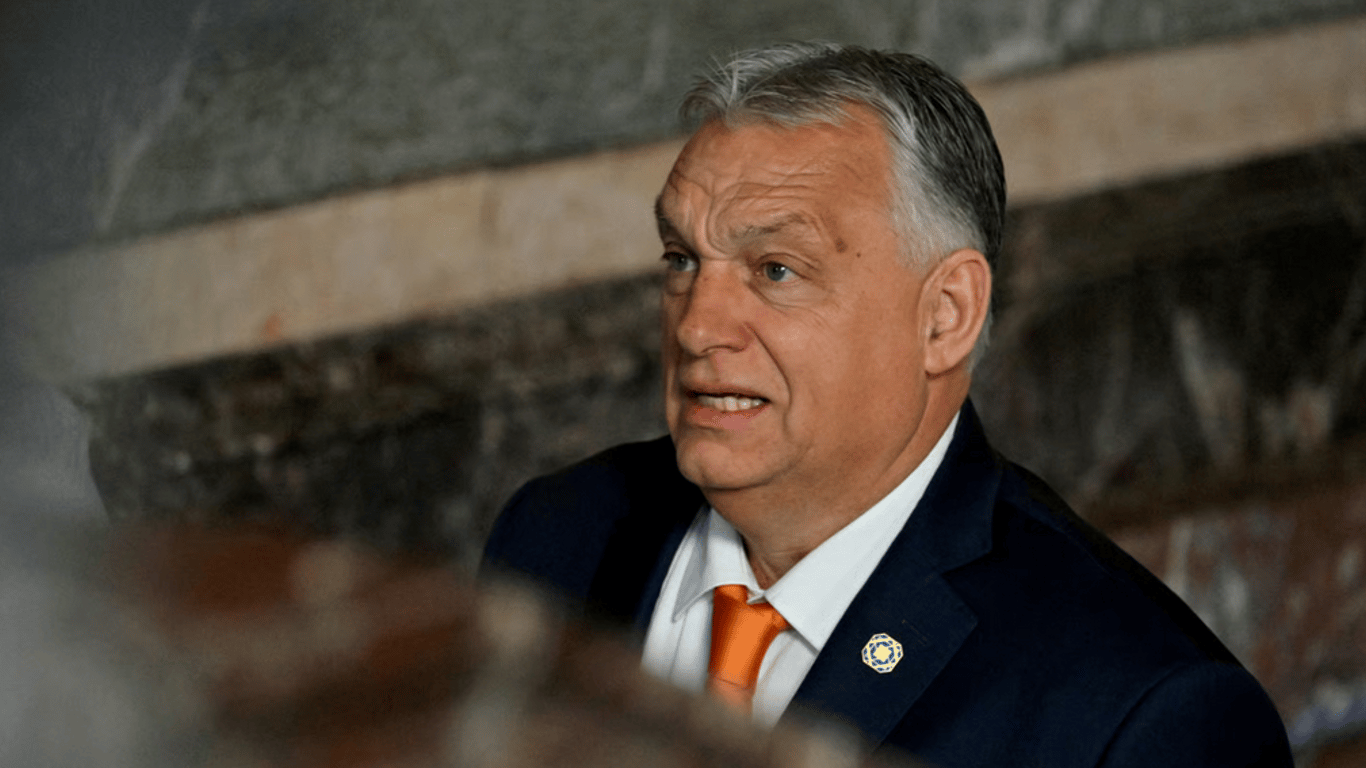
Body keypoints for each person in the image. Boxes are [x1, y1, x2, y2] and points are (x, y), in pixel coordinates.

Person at [483, 43, 1292, 766]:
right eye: (682, 259)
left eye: (776, 270)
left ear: (945, 316)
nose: (696, 326)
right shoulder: (556, 536)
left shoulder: (1146, 714)